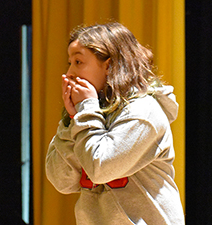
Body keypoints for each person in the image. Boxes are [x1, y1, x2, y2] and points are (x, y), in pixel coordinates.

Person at [45, 22, 185, 225]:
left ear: (109, 66)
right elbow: (61, 181)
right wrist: (72, 120)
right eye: (69, 62)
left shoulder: (144, 112)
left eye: (78, 62)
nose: (70, 73)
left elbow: (100, 168)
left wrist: (85, 110)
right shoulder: (91, 113)